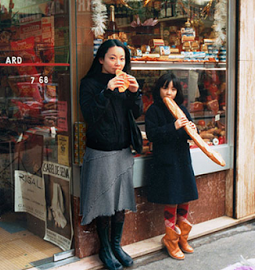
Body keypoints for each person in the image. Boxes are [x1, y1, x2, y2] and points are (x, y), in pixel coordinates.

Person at [79, 39, 143, 270]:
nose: (118, 63)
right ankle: (105, 249)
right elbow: (89, 114)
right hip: (101, 150)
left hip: (123, 149)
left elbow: (135, 113)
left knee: (120, 201)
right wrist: (106, 91)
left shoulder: (127, 82)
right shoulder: (89, 83)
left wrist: (136, 93)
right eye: (113, 58)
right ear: (101, 59)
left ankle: (117, 245)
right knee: (104, 202)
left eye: (122, 58)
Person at [145, 72, 199, 260]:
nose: (169, 92)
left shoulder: (182, 109)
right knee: (172, 199)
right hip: (166, 161)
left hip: (182, 159)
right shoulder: (153, 110)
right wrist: (174, 126)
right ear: (158, 89)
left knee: (184, 197)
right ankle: (170, 239)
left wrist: (191, 129)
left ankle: (182, 237)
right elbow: (152, 134)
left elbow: (190, 132)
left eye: (173, 89)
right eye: (165, 88)